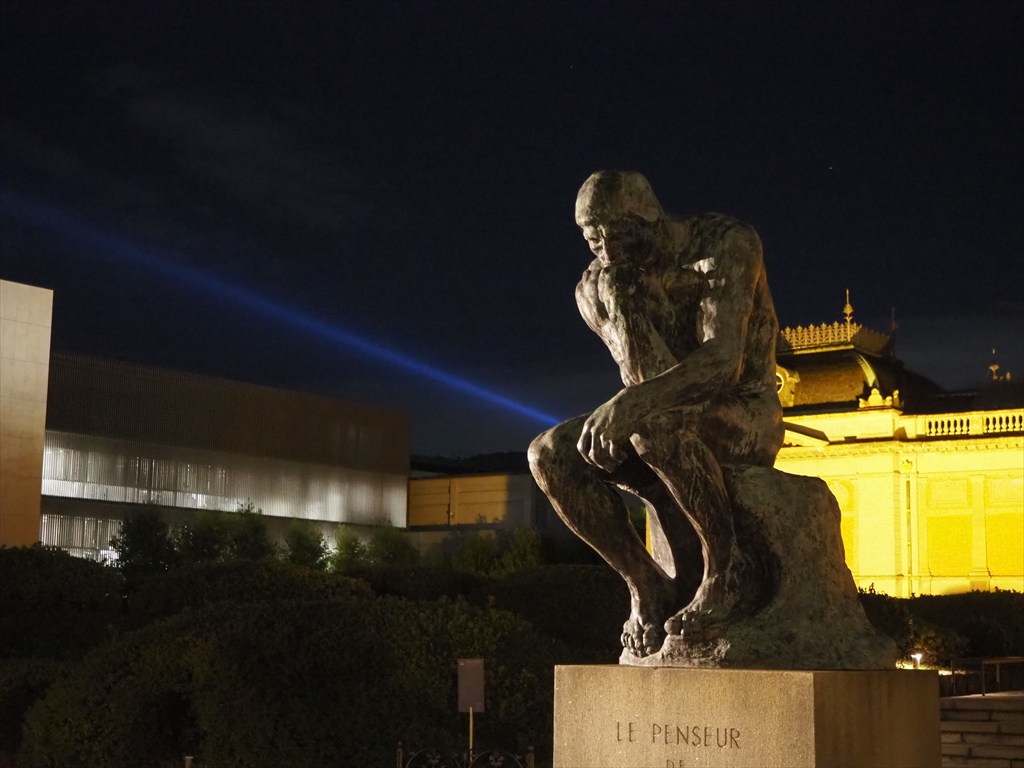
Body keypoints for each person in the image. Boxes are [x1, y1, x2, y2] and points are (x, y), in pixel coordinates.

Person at [528, 171, 784, 659]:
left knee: (650, 419)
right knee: (550, 454)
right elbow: (641, 375)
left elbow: (722, 363)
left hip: (744, 413)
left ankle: (726, 572)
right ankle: (647, 586)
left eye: (615, 234)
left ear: (648, 216)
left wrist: (634, 404)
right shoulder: (599, 284)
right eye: (592, 239)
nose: (604, 249)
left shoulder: (724, 244)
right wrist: (622, 301)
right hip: (664, 414)